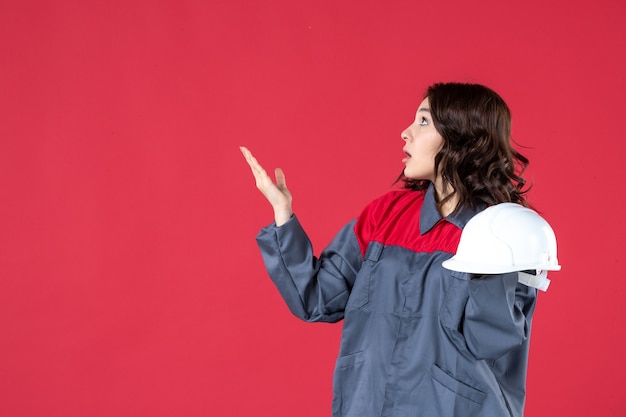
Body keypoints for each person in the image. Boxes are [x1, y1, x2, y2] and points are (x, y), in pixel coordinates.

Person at [240, 82, 536, 417]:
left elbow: (491, 341)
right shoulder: (385, 215)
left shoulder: (505, 232)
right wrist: (284, 215)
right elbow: (316, 298)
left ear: (460, 136)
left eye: (423, 121)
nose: (405, 132)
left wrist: (490, 262)